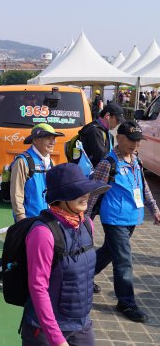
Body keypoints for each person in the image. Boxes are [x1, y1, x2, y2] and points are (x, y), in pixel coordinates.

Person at [20, 163, 109, 346]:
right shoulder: (42, 233)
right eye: (77, 191)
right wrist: (57, 339)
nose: (85, 195)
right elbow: (38, 287)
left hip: (81, 324)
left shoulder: (86, 224)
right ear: (60, 197)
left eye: (86, 190)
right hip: (45, 331)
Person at [87, 121, 160, 323]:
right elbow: (94, 192)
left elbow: (143, 187)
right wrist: (83, 219)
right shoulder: (107, 164)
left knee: (109, 252)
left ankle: (82, 277)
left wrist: (154, 208)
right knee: (124, 261)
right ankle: (126, 302)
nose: (135, 145)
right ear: (119, 138)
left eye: (138, 141)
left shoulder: (136, 160)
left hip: (132, 218)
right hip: (114, 219)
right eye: (131, 140)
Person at [11, 124, 64, 221]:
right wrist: (20, 217)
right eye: (48, 138)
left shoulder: (50, 162)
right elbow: (16, 192)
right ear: (35, 140)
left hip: (48, 219)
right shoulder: (22, 161)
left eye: (54, 138)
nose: (53, 142)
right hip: (29, 220)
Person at [78, 102, 124, 168]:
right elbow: (102, 157)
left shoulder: (107, 133)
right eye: (117, 120)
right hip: (90, 174)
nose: (118, 123)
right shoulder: (95, 131)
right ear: (107, 116)